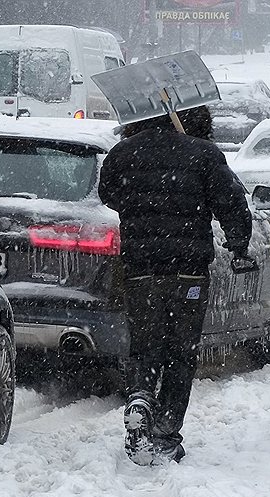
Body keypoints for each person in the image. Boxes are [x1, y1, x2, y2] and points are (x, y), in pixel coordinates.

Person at [98, 106, 253, 466]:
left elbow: (108, 195)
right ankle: (166, 432)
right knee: (181, 351)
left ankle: (140, 396)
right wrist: (238, 244)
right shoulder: (201, 153)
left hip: (140, 270)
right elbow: (231, 202)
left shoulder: (123, 154)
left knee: (145, 343)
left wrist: (142, 204)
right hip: (189, 272)